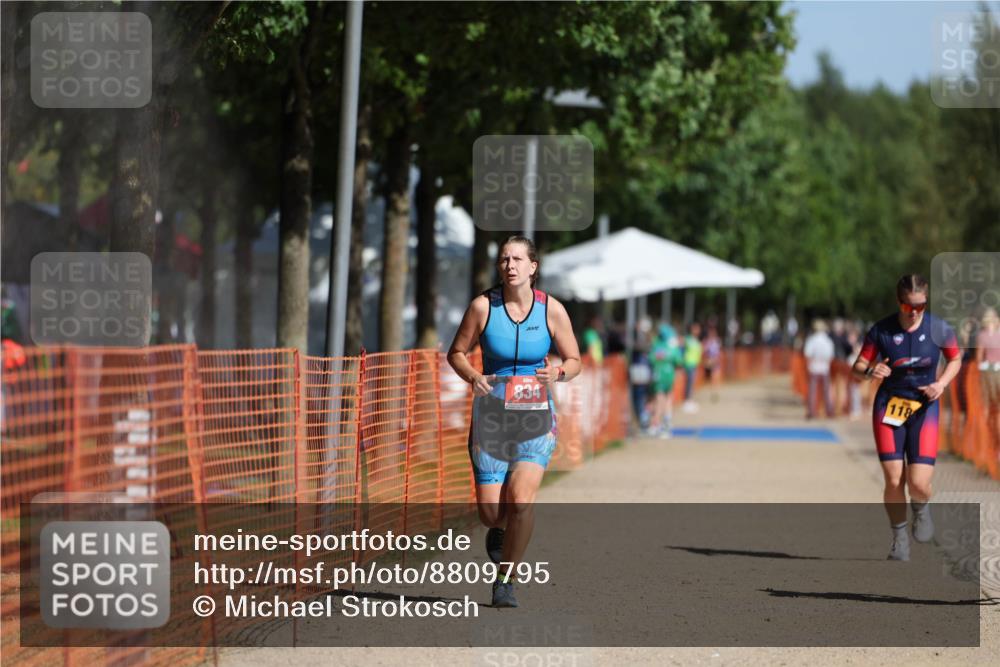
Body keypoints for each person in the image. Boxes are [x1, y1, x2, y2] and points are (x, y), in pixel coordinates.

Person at [447, 235, 581, 608]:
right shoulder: (482, 307)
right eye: (505, 259)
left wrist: (558, 373)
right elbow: (456, 353)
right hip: (492, 416)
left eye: (518, 259)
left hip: (536, 417)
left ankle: (505, 580)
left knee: (521, 500)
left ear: (533, 267)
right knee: (491, 514)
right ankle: (501, 529)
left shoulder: (552, 310)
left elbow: (575, 361)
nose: (510, 265)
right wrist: (473, 376)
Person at [851, 274, 961, 561]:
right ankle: (899, 537)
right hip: (889, 406)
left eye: (920, 306)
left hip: (925, 407)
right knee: (893, 478)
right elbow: (857, 366)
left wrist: (941, 384)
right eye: (907, 306)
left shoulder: (939, 328)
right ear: (898, 301)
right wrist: (870, 371)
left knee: (919, 483)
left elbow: (955, 358)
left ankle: (921, 509)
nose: (913, 312)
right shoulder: (881, 330)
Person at [648, 323, 682, 437]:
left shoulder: (656, 345)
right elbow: (678, 360)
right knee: (667, 399)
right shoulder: (672, 346)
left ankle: (656, 424)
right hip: (669, 375)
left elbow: (651, 358)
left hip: (659, 375)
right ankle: (666, 423)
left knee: (659, 399)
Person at [976, 307, 1000, 445]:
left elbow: (979, 357)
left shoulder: (982, 335)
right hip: (997, 373)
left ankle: (986, 443)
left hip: (987, 374)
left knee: (986, 408)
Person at [803, 319, 836, 419]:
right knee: (827, 391)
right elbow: (830, 356)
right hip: (825, 368)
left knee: (812, 391)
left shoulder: (812, 340)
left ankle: (812, 411)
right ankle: (829, 411)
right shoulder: (828, 341)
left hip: (814, 367)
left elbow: (807, 354)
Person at [681, 322, 702, 413]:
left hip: (694, 365)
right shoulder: (687, 340)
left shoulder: (696, 340)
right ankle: (687, 401)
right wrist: (682, 363)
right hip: (688, 364)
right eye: (696, 329)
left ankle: (690, 400)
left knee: (692, 383)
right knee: (689, 383)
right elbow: (682, 351)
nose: (698, 330)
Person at [702, 325, 722, 402]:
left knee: (717, 377)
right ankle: (713, 392)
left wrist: (717, 359)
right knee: (713, 378)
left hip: (716, 361)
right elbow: (704, 351)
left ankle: (716, 392)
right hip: (711, 361)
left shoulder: (717, 341)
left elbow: (719, 352)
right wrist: (707, 359)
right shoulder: (707, 342)